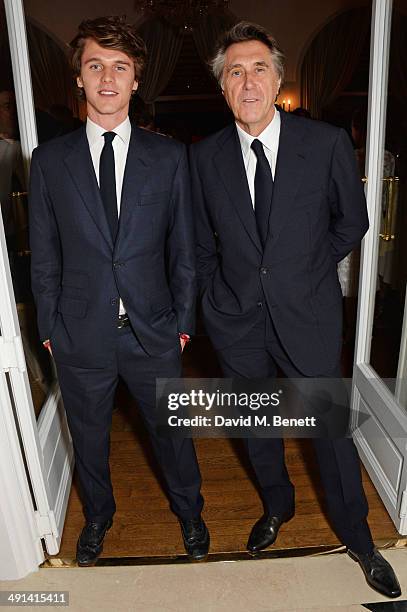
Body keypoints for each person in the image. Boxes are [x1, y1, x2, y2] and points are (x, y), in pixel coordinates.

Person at [190, 21, 401, 598]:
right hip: (236, 320)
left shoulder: (325, 143)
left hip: (306, 314)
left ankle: (359, 538)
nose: (248, 80)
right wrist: (215, 299)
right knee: (258, 426)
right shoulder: (204, 158)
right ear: (224, 88)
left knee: (330, 433)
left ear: (279, 77)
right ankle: (276, 506)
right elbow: (198, 243)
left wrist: (306, 268)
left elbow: (352, 221)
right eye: (235, 71)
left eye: (259, 68)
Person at [29, 15, 208, 566]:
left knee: (172, 439)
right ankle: (99, 517)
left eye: (120, 67)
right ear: (78, 80)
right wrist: (51, 329)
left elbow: (186, 251)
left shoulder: (170, 157)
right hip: (80, 334)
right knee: (89, 441)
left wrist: (182, 322)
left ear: (136, 80)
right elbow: (46, 256)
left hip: (154, 330)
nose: (108, 78)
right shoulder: (48, 162)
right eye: (95, 65)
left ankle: (191, 515)